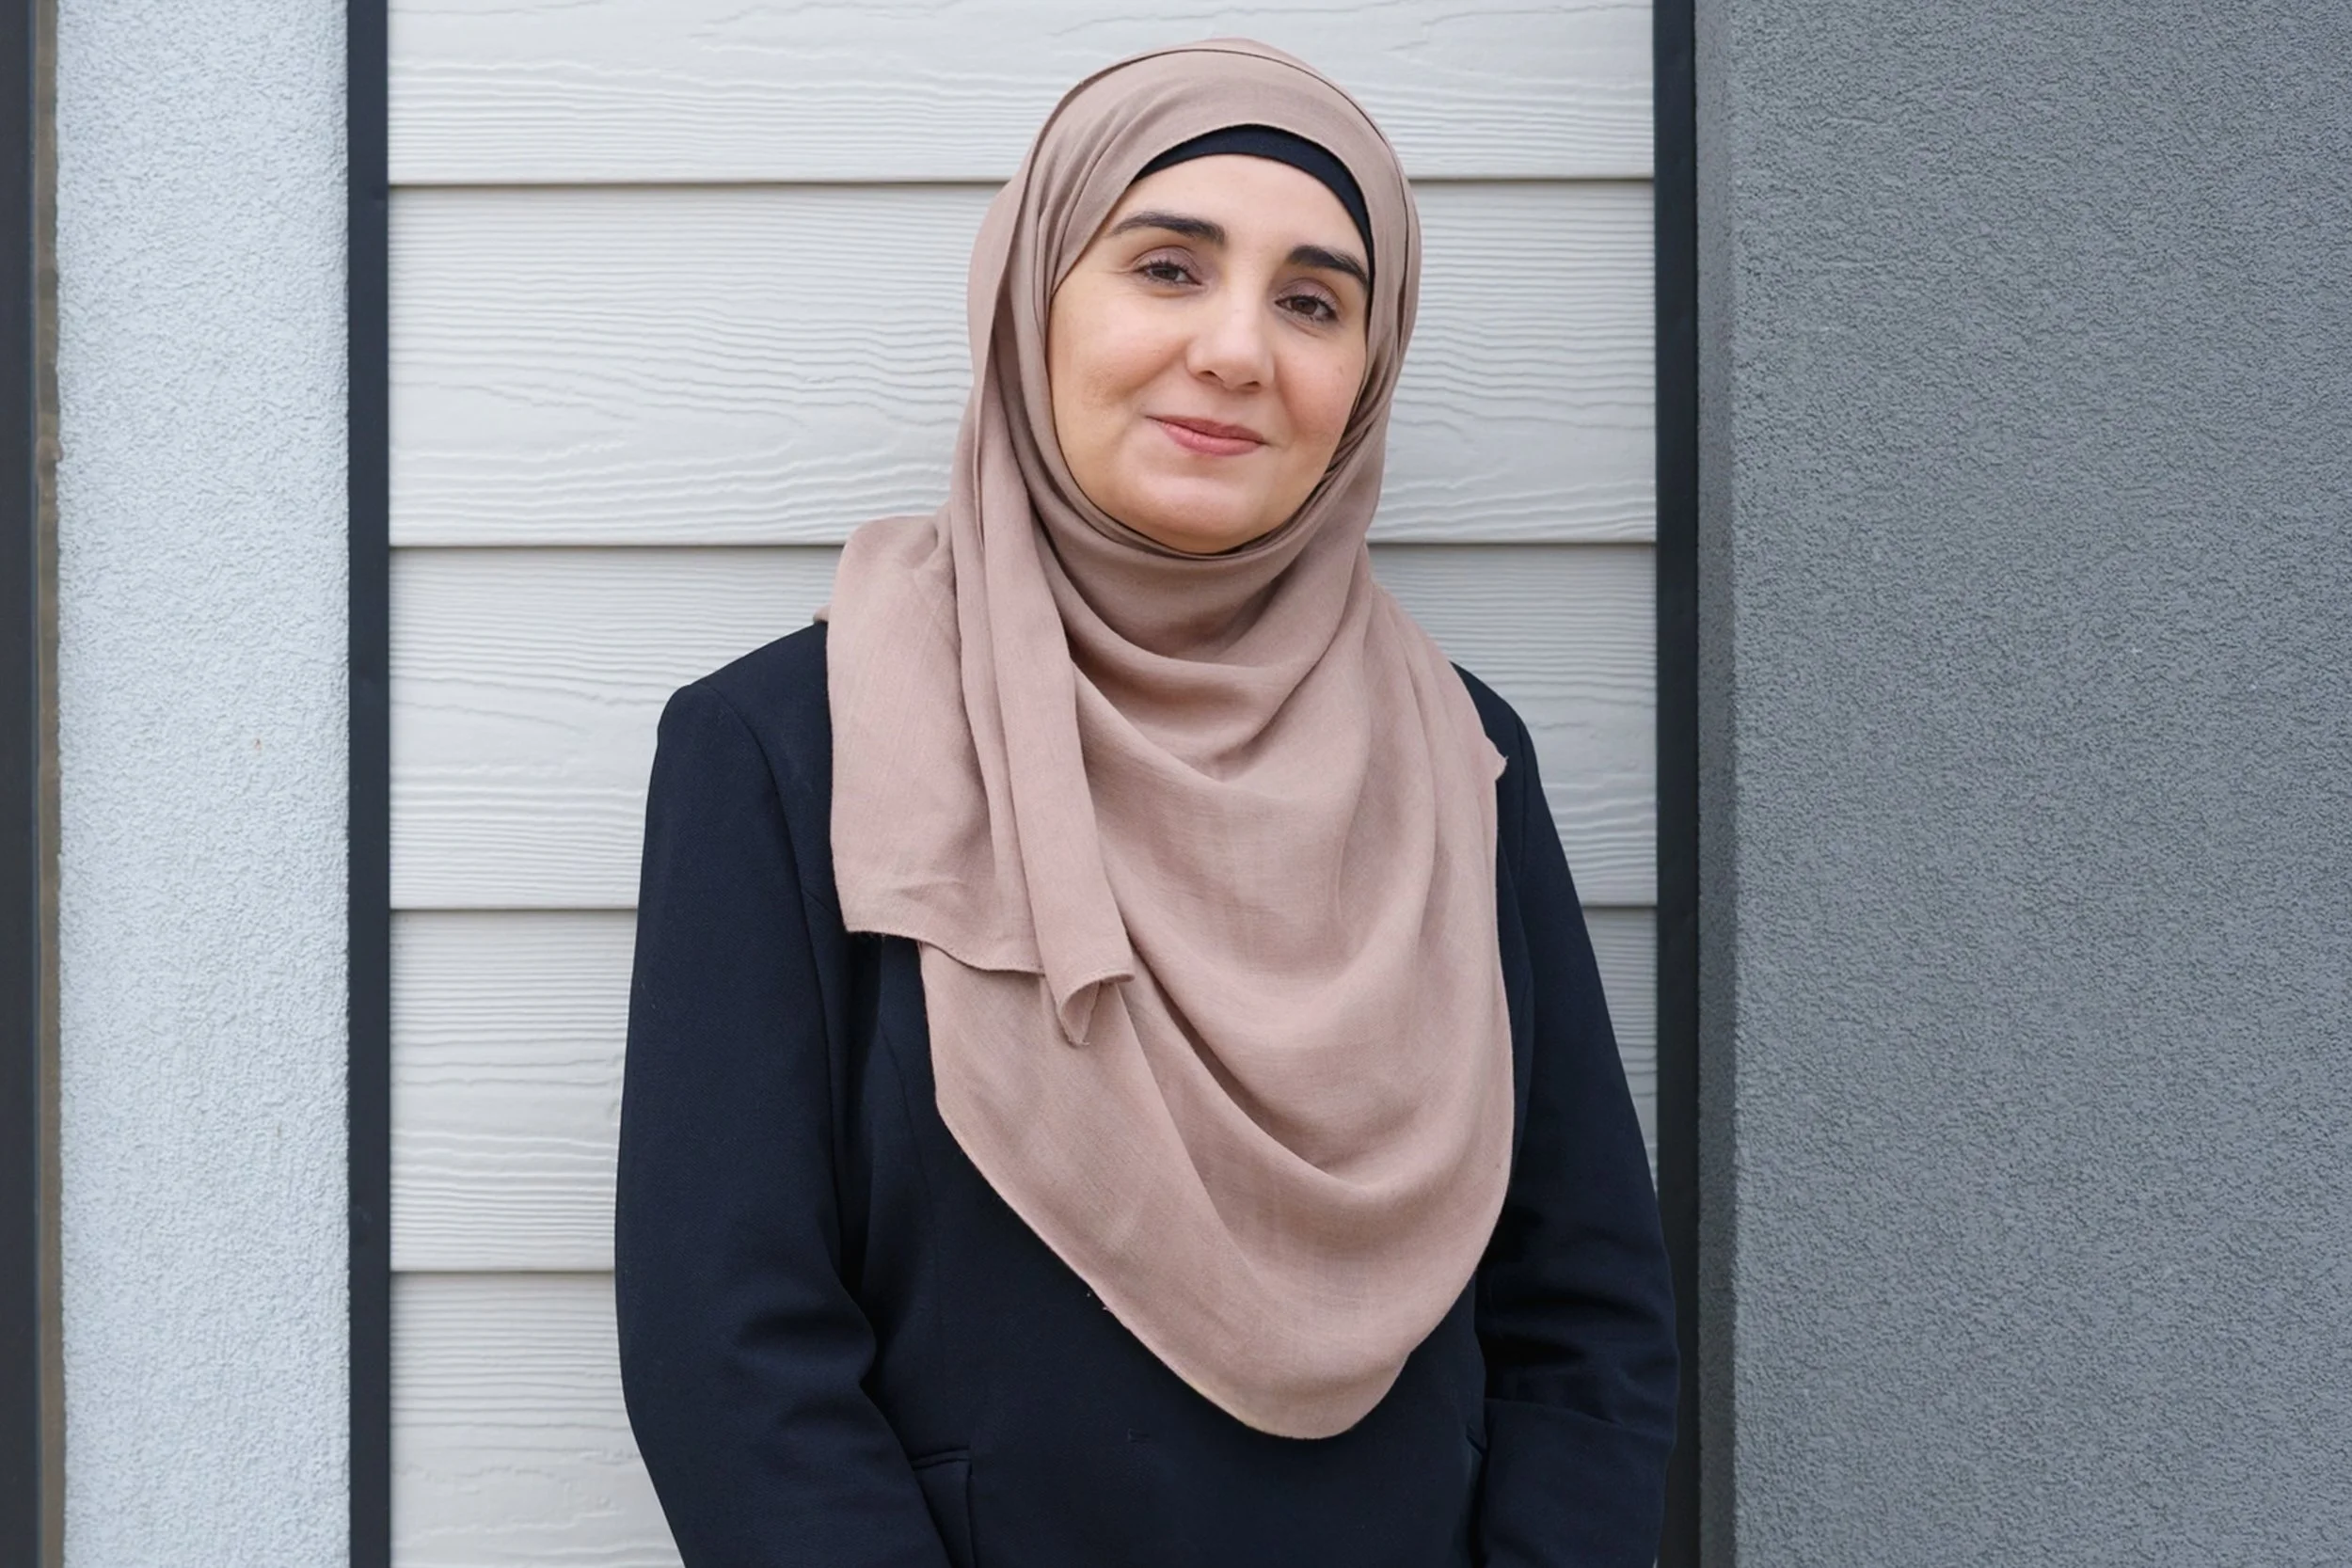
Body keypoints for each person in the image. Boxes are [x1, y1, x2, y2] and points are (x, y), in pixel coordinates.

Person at [614, 39, 1677, 1568]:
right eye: (1168, 267)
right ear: (1032, 293)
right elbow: (732, 1349)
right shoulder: (791, 743)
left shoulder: (1458, 757)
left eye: (1312, 300)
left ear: (1364, 378)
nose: (1238, 351)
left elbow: (1588, 1320)